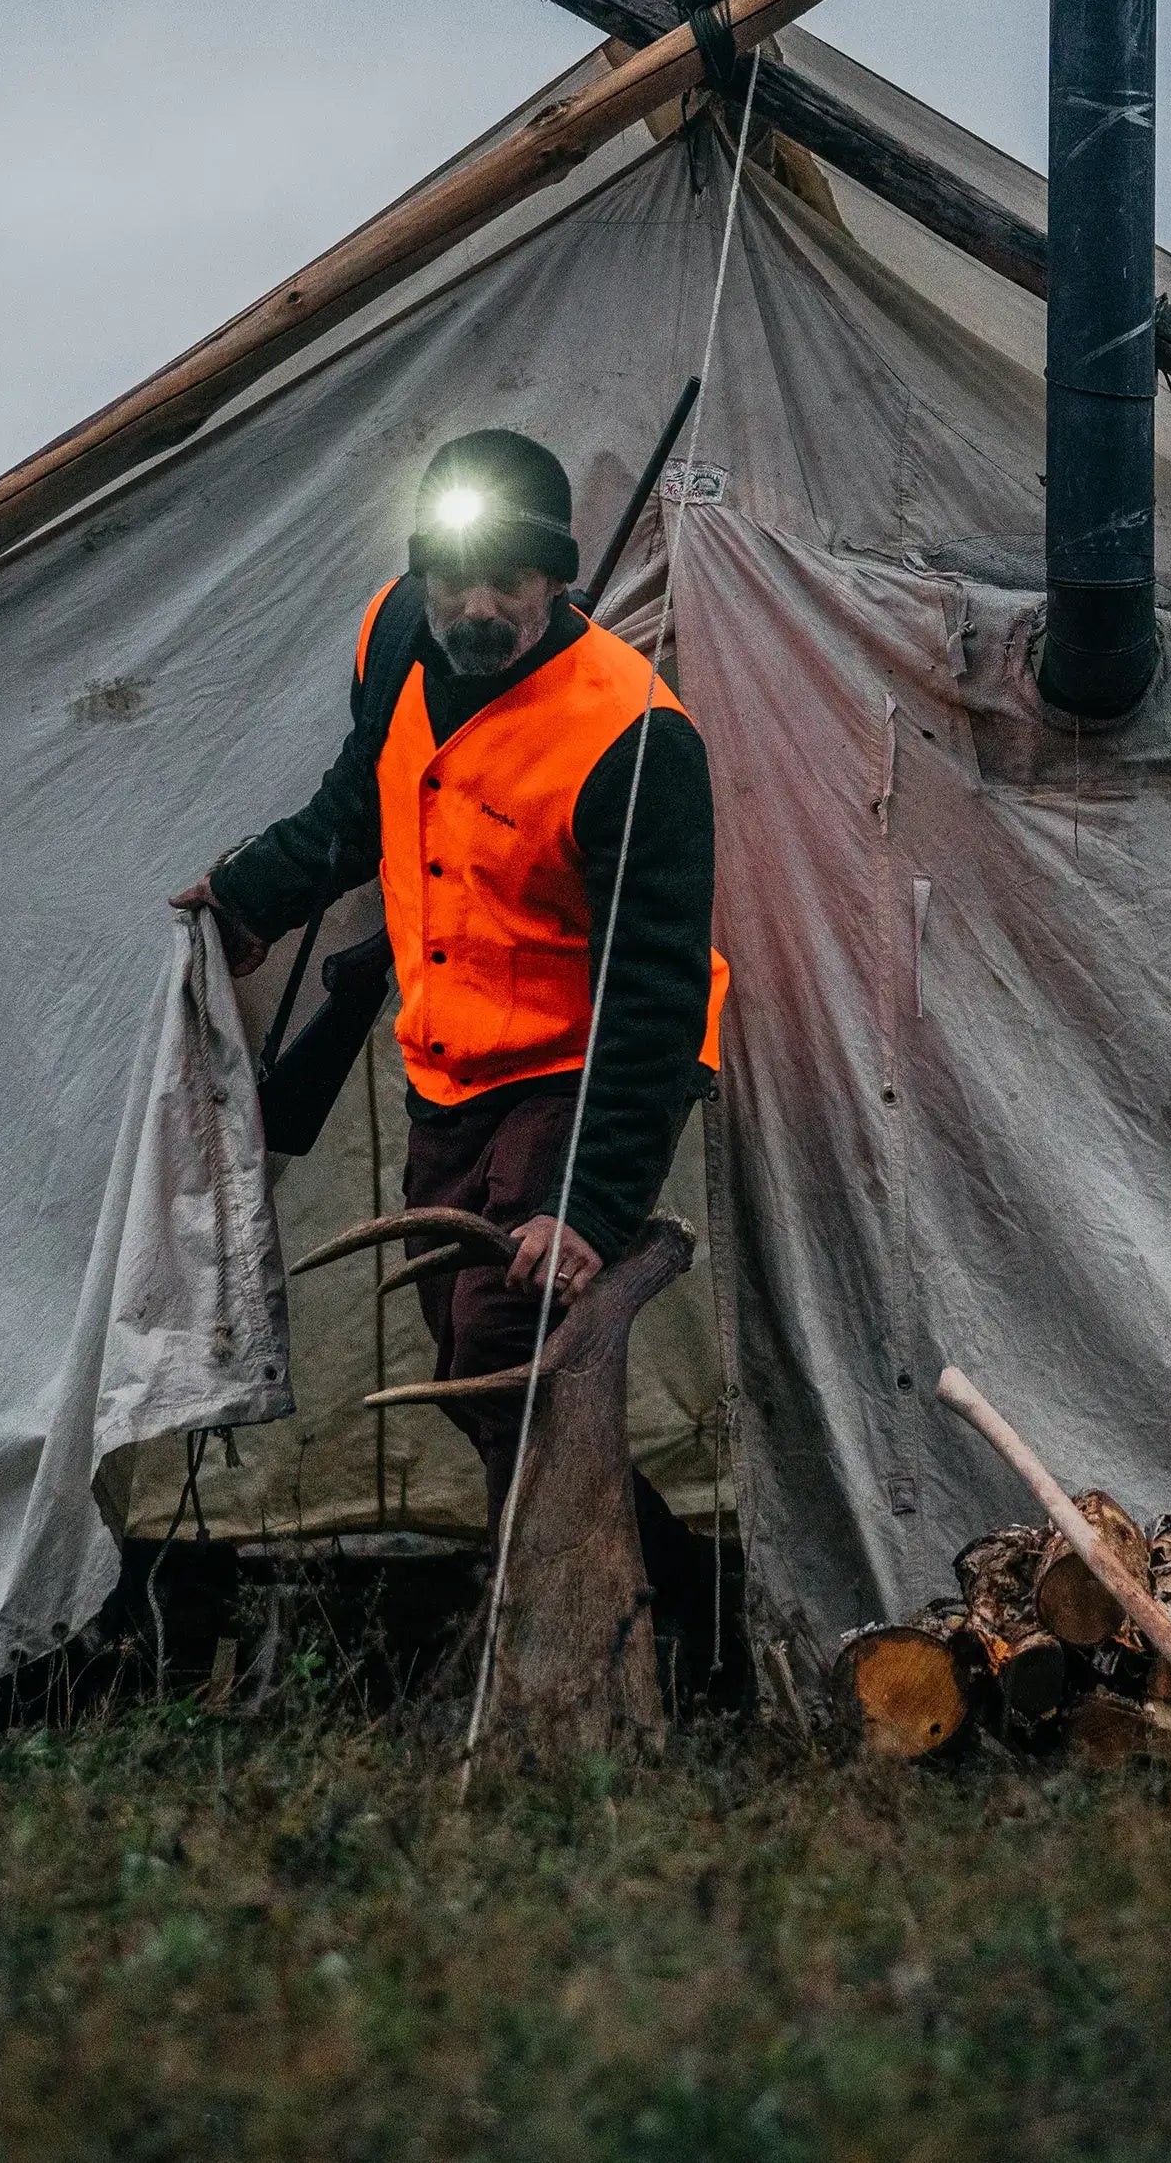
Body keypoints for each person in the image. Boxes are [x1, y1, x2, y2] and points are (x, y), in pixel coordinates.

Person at [172, 427, 726, 1535]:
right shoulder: (393, 638)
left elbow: (655, 997)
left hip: (579, 1071)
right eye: (452, 573)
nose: (473, 604)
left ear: (559, 577)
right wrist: (245, 899)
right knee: (472, 1369)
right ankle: (607, 1598)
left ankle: (637, 1618)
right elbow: (357, 806)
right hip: (445, 1076)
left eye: (505, 579)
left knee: (501, 1346)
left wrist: (587, 1203)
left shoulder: (635, 737)